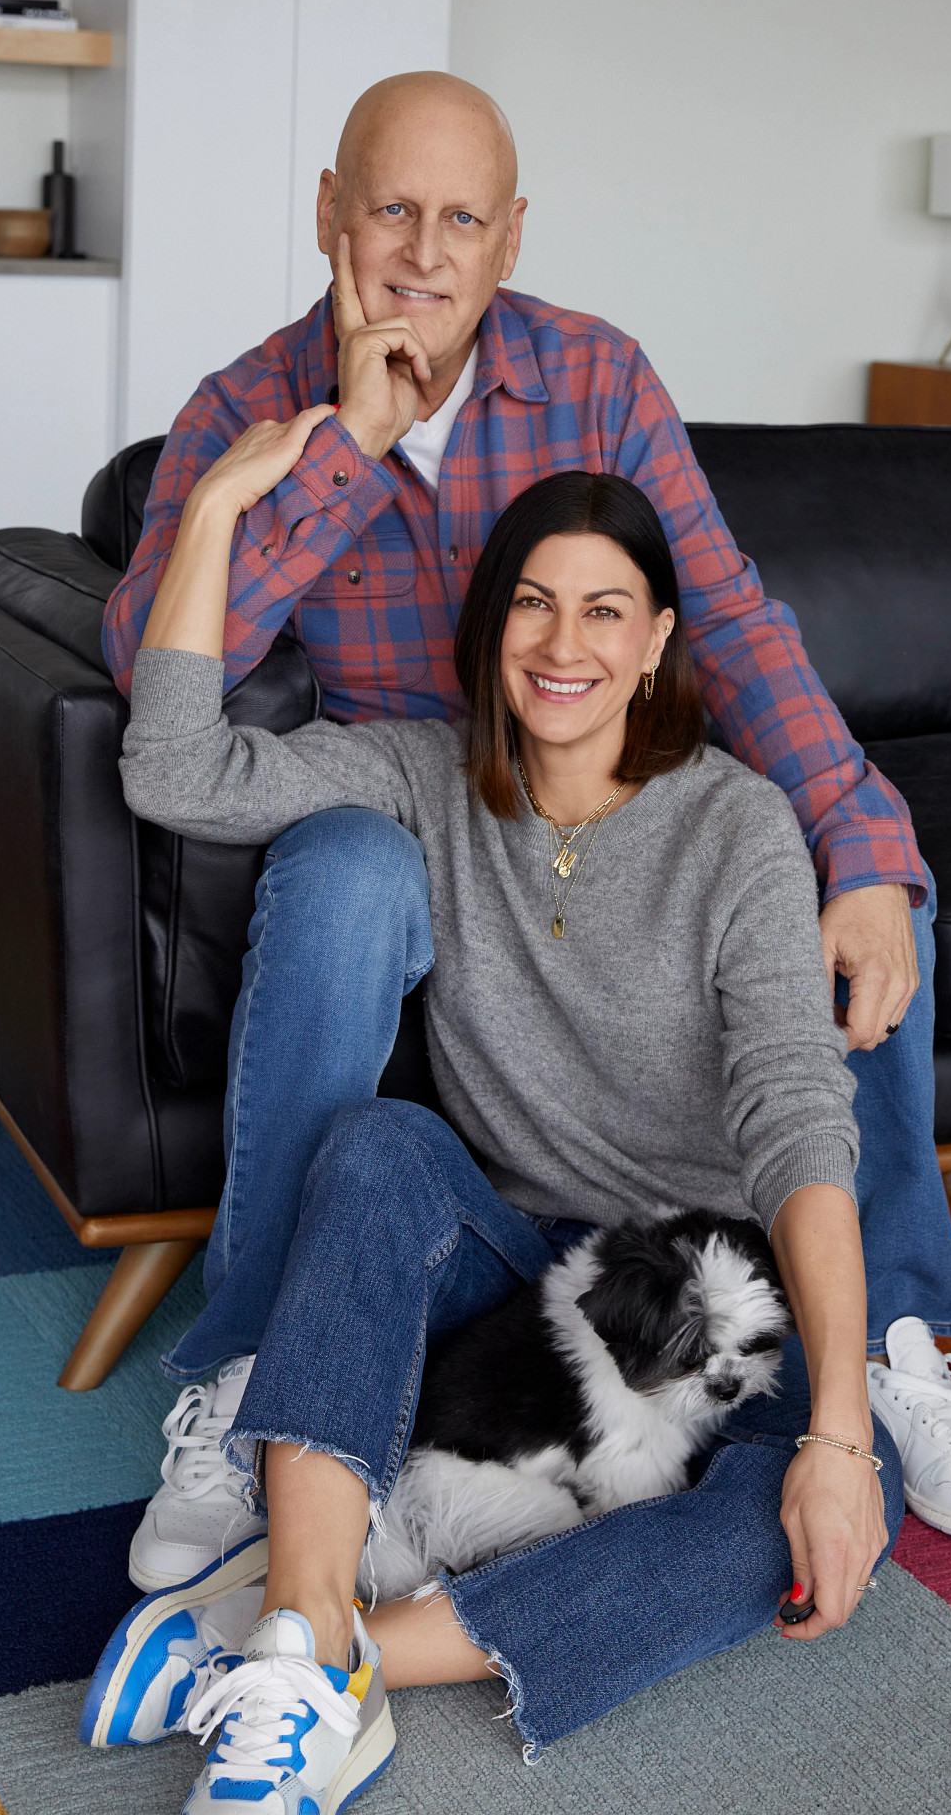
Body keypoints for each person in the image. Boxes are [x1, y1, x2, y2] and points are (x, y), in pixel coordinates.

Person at [101, 71, 951, 1598]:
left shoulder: (592, 372)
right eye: (390, 207)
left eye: (461, 216)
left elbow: (723, 617)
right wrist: (343, 445)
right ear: (327, 215)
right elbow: (154, 676)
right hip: (406, 798)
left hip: (595, 796)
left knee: (854, 868)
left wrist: (862, 839)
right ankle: (241, 1379)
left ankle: (878, 1352)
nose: (423, 248)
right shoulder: (242, 408)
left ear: (512, 234)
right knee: (338, 874)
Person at [95, 457, 901, 1811]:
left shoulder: (738, 825)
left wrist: (837, 1439)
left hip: (709, 1301)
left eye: (602, 611)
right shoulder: (421, 772)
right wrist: (217, 514)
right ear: (489, 632)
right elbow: (173, 771)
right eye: (530, 605)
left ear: (653, 643)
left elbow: (799, 1128)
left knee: (796, 1543)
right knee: (370, 1146)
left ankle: (306, 1666)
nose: (561, 643)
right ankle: (295, 1613)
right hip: (514, 1265)